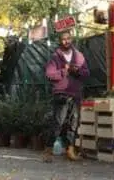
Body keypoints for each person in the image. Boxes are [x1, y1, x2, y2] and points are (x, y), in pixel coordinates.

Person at [43, 31, 89, 163]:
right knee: (58, 122)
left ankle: (70, 149)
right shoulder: (55, 57)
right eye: (63, 39)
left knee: (74, 123)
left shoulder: (79, 56)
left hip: (76, 93)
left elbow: (86, 73)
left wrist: (77, 71)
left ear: (71, 39)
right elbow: (49, 75)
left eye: (68, 39)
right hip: (61, 93)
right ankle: (48, 150)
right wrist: (65, 70)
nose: (66, 41)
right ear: (60, 41)